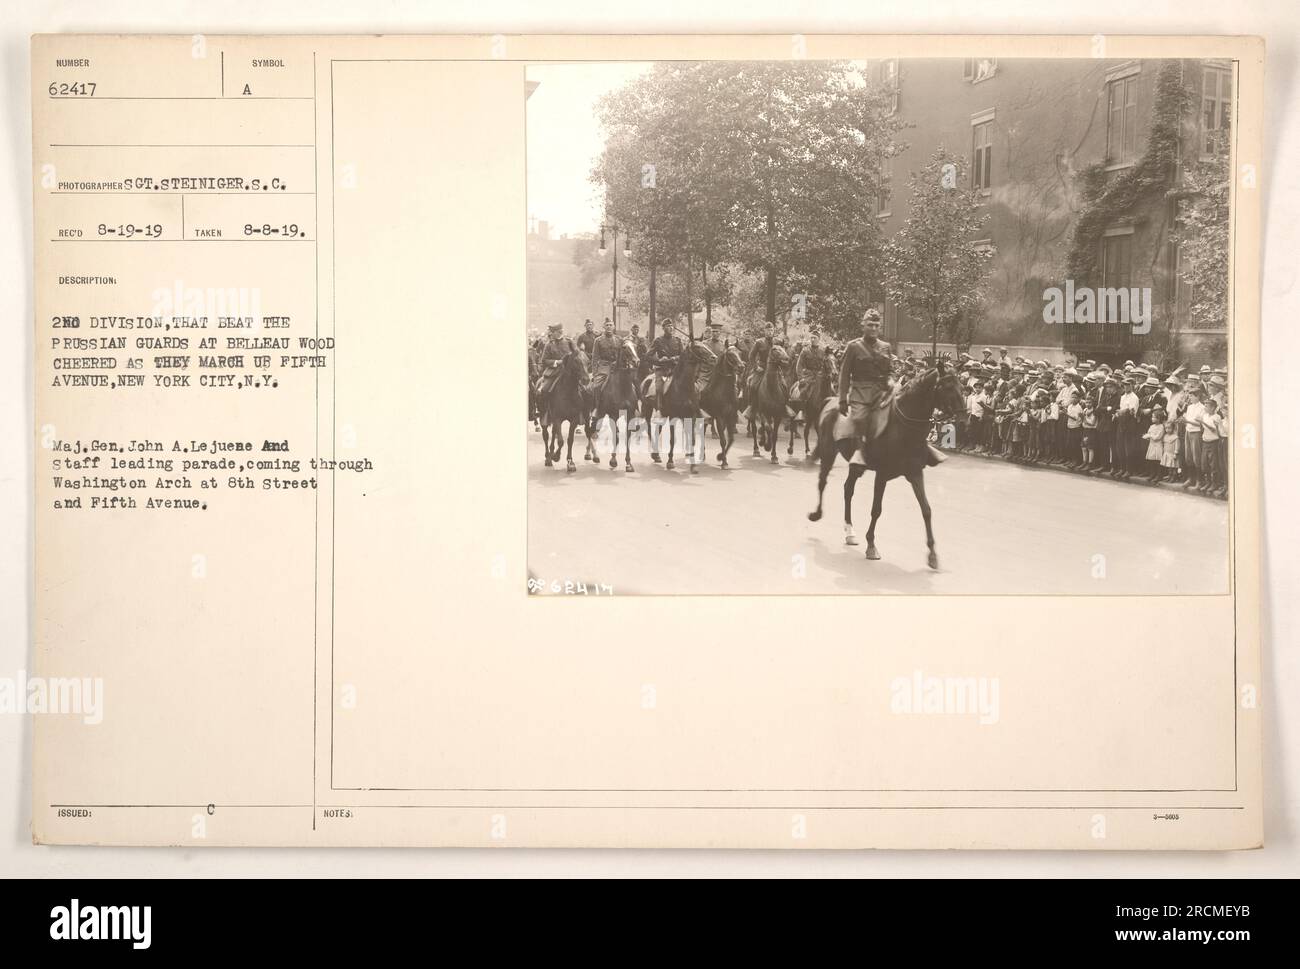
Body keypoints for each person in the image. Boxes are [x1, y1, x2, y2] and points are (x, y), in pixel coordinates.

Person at [837, 308, 895, 466]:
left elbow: (890, 370)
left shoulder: (885, 346)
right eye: (870, 325)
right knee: (860, 418)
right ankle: (859, 451)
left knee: (900, 413)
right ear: (863, 326)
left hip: (882, 393)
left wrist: (890, 380)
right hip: (860, 393)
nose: (874, 328)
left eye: (877, 325)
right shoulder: (853, 347)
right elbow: (844, 375)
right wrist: (842, 399)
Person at [647, 318, 684, 400]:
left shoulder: (678, 340)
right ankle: (659, 409)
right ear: (663, 328)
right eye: (668, 326)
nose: (671, 328)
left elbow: (683, 355)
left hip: (676, 369)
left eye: (672, 326)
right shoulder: (658, 340)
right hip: (662, 370)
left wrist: (674, 358)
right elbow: (648, 356)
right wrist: (659, 361)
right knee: (659, 388)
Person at [590, 318, 621, 396]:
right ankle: (597, 406)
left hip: (617, 367)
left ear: (614, 327)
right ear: (603, 327)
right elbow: (595, 358)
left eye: (610, 325)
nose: (609, 327)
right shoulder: (598, 340)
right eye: (607, 325)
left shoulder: (619, 339)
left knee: (631, 384)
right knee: (596, 386)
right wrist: (594, 373)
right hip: (603, 368)